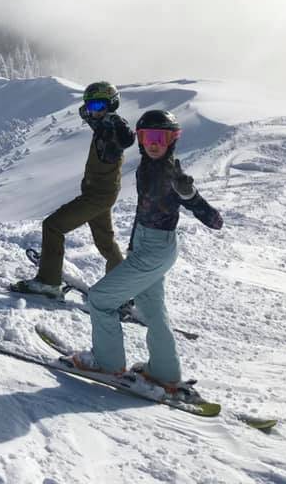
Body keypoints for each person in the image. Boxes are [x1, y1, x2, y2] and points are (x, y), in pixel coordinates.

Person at [66, 110, 224, 390]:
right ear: (140, 139)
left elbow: (214, 221)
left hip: (154, 250)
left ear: (172, 139)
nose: (153, 143)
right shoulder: (147, 166)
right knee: (152, 309)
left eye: (161, 137)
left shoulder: (171, 174)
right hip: (149, 247)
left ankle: (107, 363)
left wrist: (190, 196)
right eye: (147, 136)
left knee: (101, 299)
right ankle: (165, 372)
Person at [13, 81, 135, 298]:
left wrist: (113, 123)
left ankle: (48, 283)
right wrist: (94, 117)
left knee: (53, 226)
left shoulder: (113, 129)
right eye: (90, 107)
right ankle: (125, 290)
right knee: (106, 243)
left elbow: (126, 138)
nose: (93, 112)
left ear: (111, 105)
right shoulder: (102, 126)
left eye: (98, 107)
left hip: (97, 196)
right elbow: (96, 122)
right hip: (102, 194)